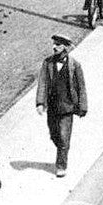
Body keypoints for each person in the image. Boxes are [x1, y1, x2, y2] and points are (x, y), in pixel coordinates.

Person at [35, 34, 87, 178]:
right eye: (54, 44)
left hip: (67, 108)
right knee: (54, 135)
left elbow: (81, 87)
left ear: (64, 47)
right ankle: (63, 150)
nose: (54, 47)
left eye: (57, 44)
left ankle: (61, 165)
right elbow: (43, 83)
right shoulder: (48, 63)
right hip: (52, 107)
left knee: (64, 137)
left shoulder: (74, 65)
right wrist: (40, 103)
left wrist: (83, 106)